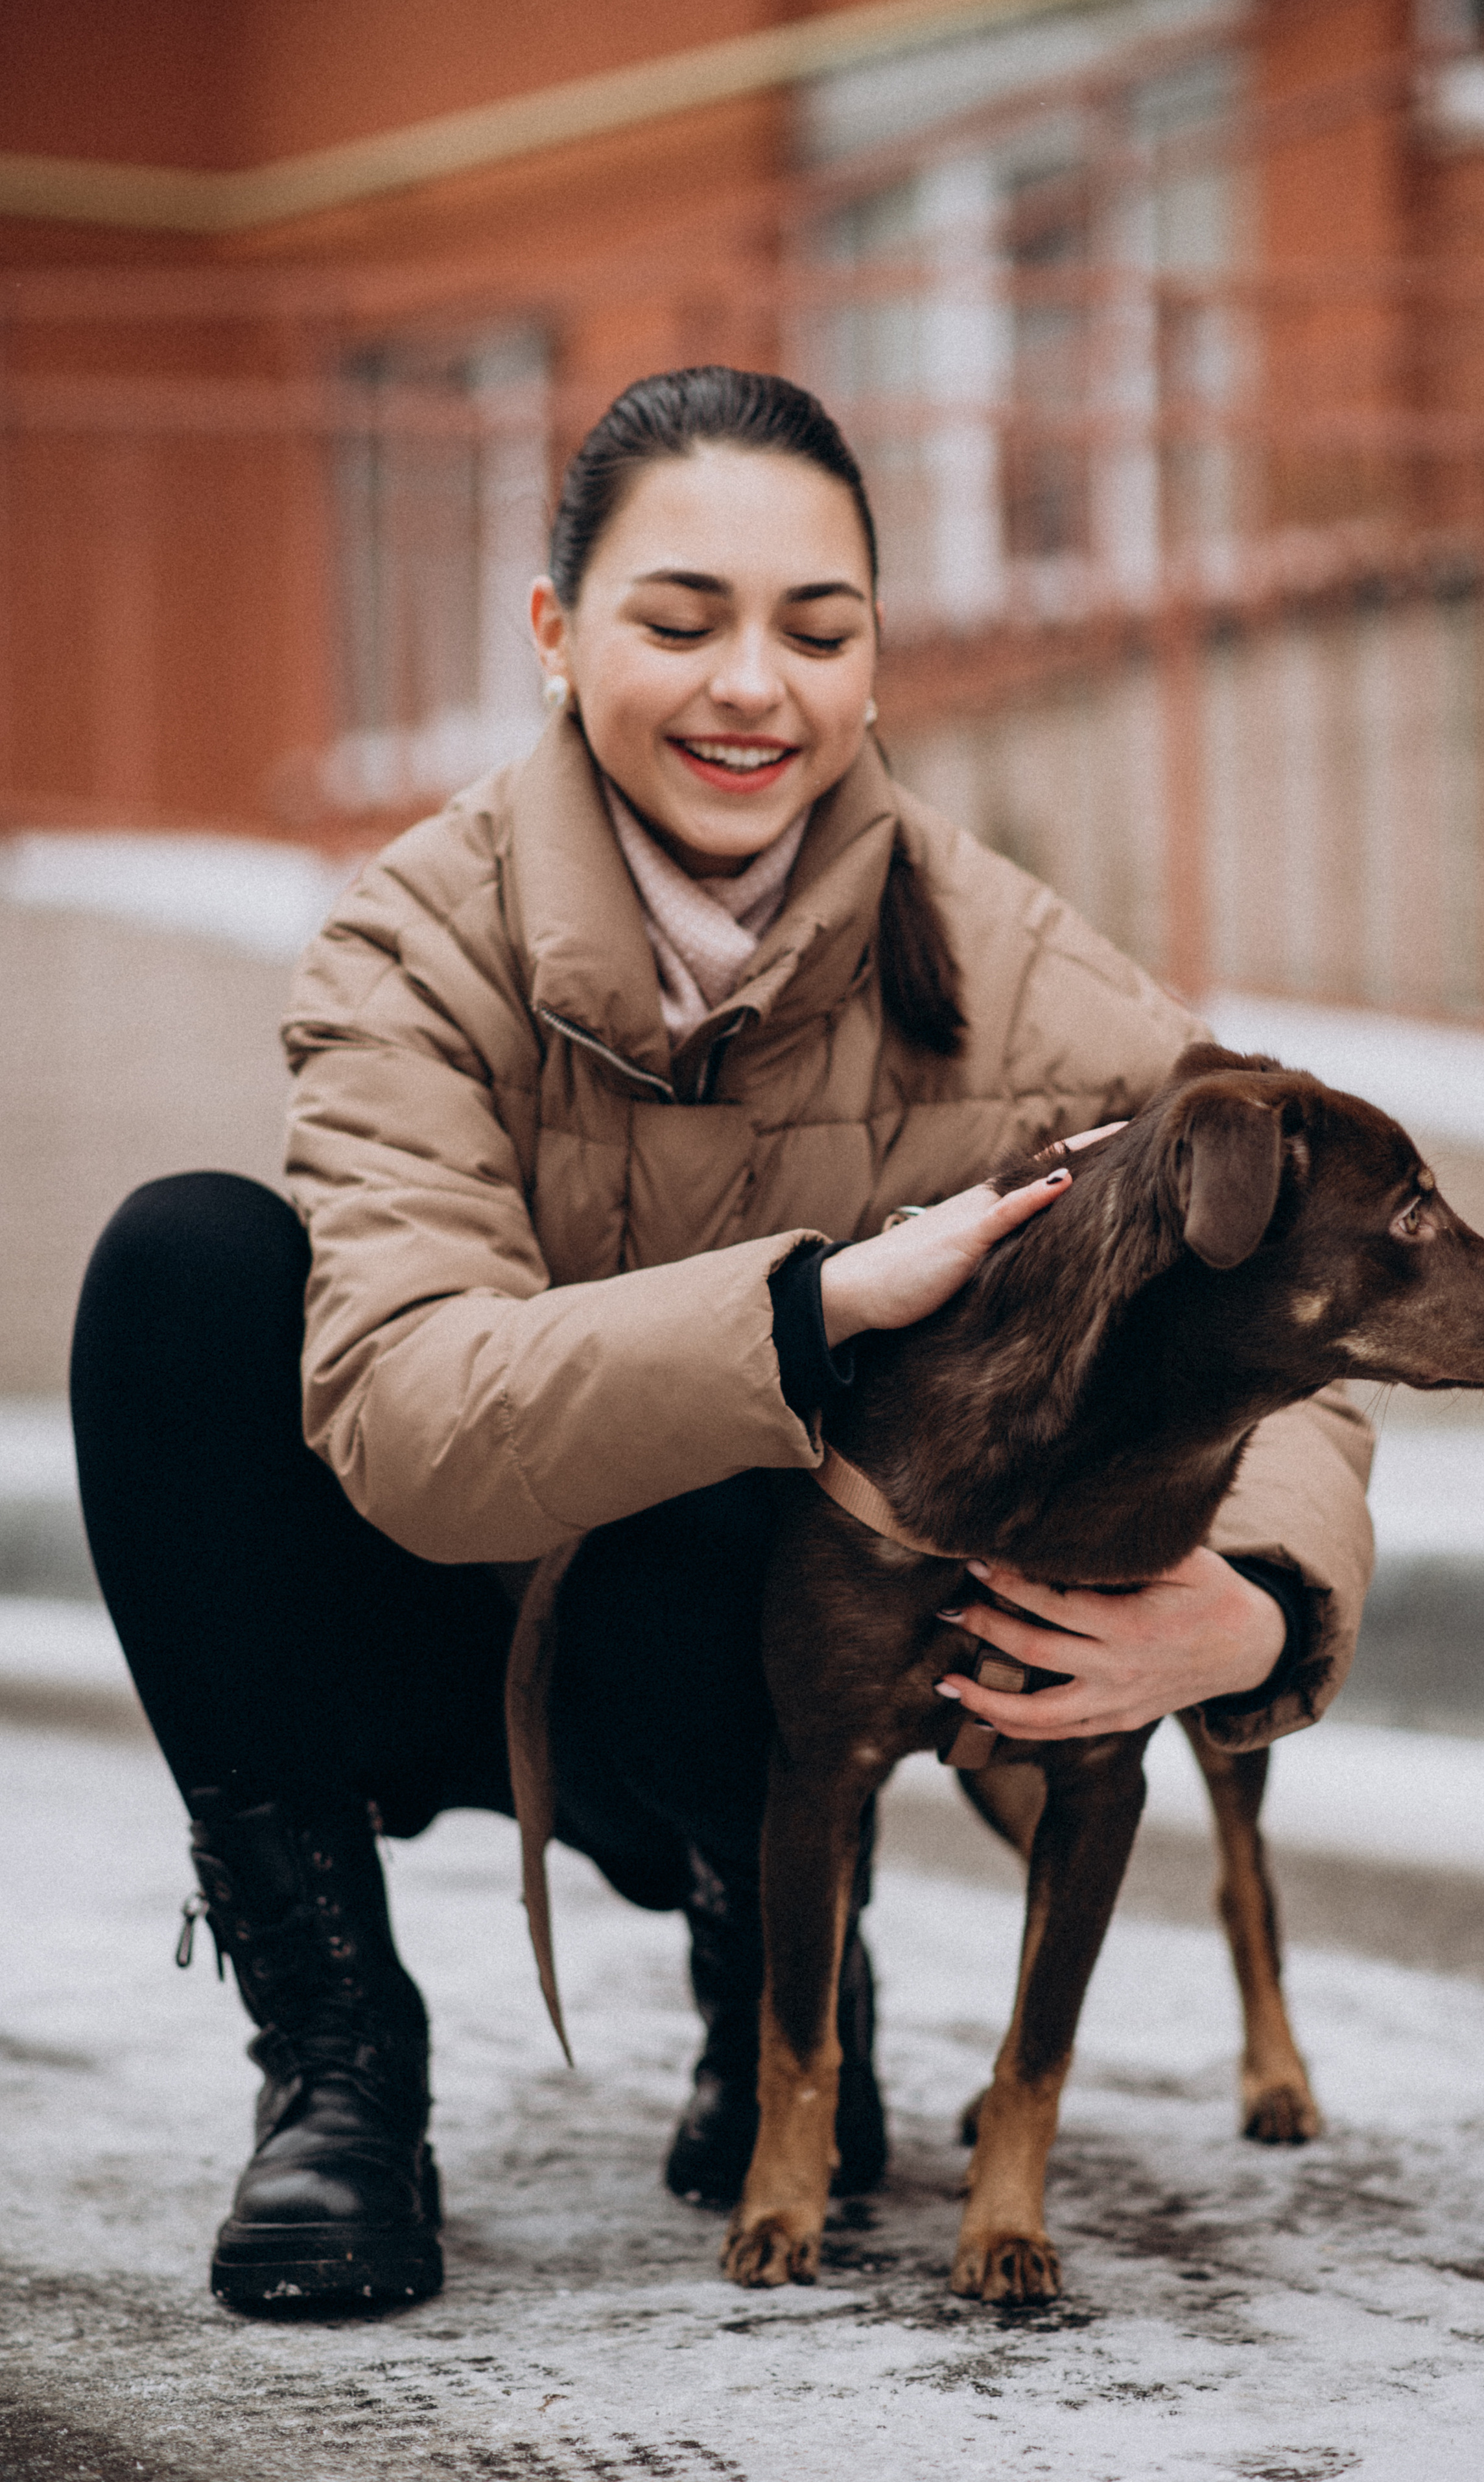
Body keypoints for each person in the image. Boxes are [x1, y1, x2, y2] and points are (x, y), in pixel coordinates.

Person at [69, 366, 1373, 2315]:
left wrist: (1261, 1602)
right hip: (432, 1610)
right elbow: (409, 1411)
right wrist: (816, 1300)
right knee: (184, 1271)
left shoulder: (1019, 976)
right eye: (678, 621)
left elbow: (1276, 1310)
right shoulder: (414, 943)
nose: (748, 684)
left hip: (747, 1678)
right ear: (554, 632)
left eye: (815, 629)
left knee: (782, 1540)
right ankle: (340, 2054)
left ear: (874, 666)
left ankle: (766, 1945)